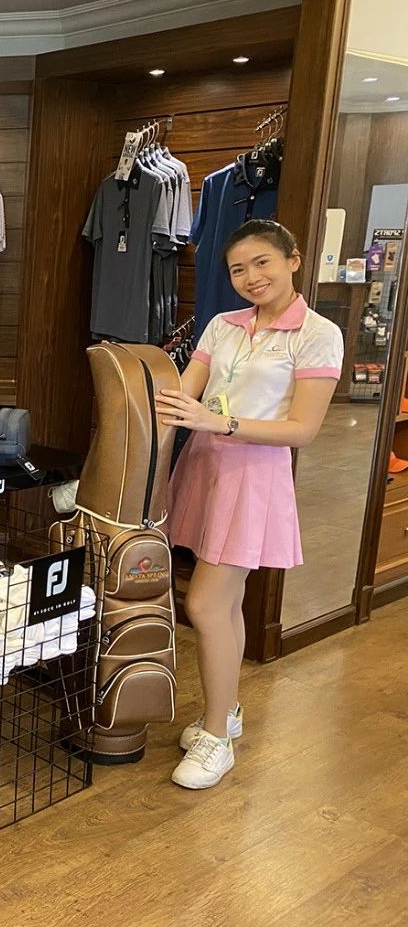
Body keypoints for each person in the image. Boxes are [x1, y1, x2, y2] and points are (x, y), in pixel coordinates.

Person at [155, 219, 343, 790]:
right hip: (203, 469)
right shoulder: (222, 325)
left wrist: (221, 423)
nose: (251, 277)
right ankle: (227, 712)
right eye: (238, 269)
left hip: (254, 480)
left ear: (293, 260)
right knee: (226, 604)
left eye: (262, 262)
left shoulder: (317, 334)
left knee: (205, 605)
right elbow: (181, 398)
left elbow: (302, 429)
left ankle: (217, 738)